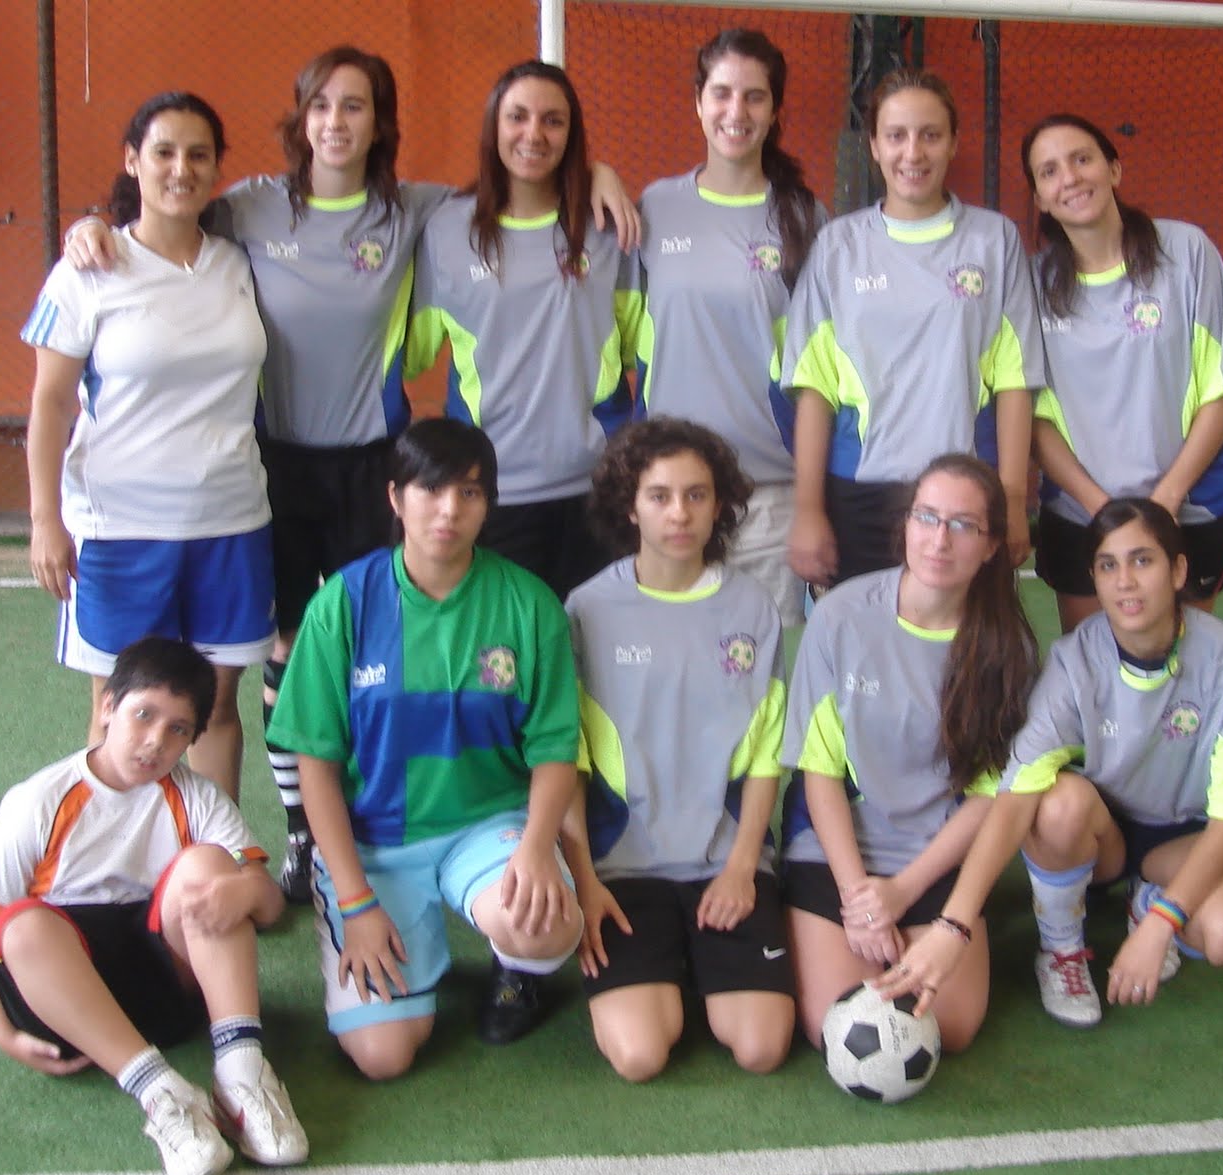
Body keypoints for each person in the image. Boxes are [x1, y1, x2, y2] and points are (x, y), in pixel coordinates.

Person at [64, 47, 639, 904]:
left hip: (375, 464)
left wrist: (604, 174)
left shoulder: (417, 211)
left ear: (380, 123)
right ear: (301, 118)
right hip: (272, 469)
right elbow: (163, 205)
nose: (337, 121)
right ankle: (302, 832)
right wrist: (95, 223)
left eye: (356, 106)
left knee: (381, 648)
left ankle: (411, 823)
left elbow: (520, 183)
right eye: (323, 105)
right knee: (290, 651)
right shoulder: (248, 207)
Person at [267, 418, 584, 1079]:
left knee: (544, 927)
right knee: (382, 1057)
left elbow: (555, 750)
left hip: (487, 824)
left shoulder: (528, 604)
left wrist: (535, 849)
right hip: (378, 843)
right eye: (430, 490)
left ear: (488, 505)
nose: (449, 510)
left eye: (469, 492)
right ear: (395, 497)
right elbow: (315, 767)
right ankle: (397, 938)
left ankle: (513, 967)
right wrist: (356, 902)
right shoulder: (343, 603)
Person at [875, 498, 1223, 1029]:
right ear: (1094, 580)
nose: (1125, 581)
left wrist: (1163, 921)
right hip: (1101, 834)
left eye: (1142, 560)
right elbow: (1015, 797)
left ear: (1178, 571)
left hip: (1183, 838)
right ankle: (1061, 948)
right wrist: (953, 925)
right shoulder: (1074, 663)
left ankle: (1148, 903)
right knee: (1056, 801)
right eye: (1108, 565)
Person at [0, 638, 307, 1175]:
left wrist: (241, 891)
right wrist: (2, 1033)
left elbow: (268, 901)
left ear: (193, 739)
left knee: (212, 866)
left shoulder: (196, 797)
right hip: (67, 1010)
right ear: (107, 707)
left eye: (177, 729)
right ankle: (162, 1094)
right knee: (19, 926)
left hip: (167, 999)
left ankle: (241, 1072)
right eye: (144, 715)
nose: (155, 741)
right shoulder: (39, 799)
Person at [23, 91, 273, 805]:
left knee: (215, 710)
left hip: (230, 522)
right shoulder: (88, 270)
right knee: (124, 715)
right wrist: (44, 519)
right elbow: (48, 403)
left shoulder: (237, 263)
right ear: (133, 162)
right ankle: (119, 857)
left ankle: (214, 853)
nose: (181, 169)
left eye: (198, 155)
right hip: (120, 530)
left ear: (217, 168)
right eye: (164, 152)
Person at [779, 454, 1039, 1052]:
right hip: (836, 850)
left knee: (949, 1028)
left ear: (991, 546)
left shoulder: (1007, 649)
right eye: (927, 517)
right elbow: (819, 772)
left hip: (933, 855)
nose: (939, 540)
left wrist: (901, 891)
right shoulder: (841, 615)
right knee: (835, 1023)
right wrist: (859, 898)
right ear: (905, 524)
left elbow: (990, 794)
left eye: (963, 525)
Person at [561, 418, 794, 1081]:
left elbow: (766, 754)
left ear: (719, 505)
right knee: (640, 1057)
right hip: (621, 874)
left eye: (697, 495)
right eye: (659, 495)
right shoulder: (585, 610)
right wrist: (584, 883)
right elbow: (568, 764)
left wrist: (743, 866)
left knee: (760, 1050)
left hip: (726, 863)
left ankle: (699, 963)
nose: (679, 513)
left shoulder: (754, 609)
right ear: (629, 506)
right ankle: (674, 967)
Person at [780, 69, 1043, 590]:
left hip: (967, 492)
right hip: (860, 489)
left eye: (930, 135)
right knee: (865, 636)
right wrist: (808, 508)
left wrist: (1013, 498)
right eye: (896, 135)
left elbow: (1015, 379)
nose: (913, 152)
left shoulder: (995, 241)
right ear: (874, 146)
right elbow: (814, 387)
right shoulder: (837, 246)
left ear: (954, 143)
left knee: (965, 638)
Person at [1020, 113, 1223, 633]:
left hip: (1189, 507)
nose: (1070, 178)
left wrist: (1166, 500)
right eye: (1049, 171)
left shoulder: (1186, 252)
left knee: (1179, 668)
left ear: (1114, 169)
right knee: (1093, 667)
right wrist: (1105, 512)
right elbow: (1033, 418)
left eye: (1082, 159)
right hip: (1083, 514)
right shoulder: (1031, 285)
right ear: (1039, 198)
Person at [407, 60, 639, 601]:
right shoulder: (446, 230)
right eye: (517, 117)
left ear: (572, 133)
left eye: (553, 120)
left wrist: (600, 173)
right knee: (503, 646)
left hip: (596, 486)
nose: (534, 134)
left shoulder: (607, 228)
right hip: (491, 488)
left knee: (588, 644)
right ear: (494, 125)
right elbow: (410, 354)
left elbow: (640, 351)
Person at [631, 29, 826, 625]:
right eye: (721, 93)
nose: (735, 111)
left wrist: (812, 503)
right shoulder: (654, 207)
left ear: (775, 110)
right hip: (671, 491)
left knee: (759, 664)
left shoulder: (804, 218)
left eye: (754, 96)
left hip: (767, 496)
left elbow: (823, 371)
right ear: (698, 101)